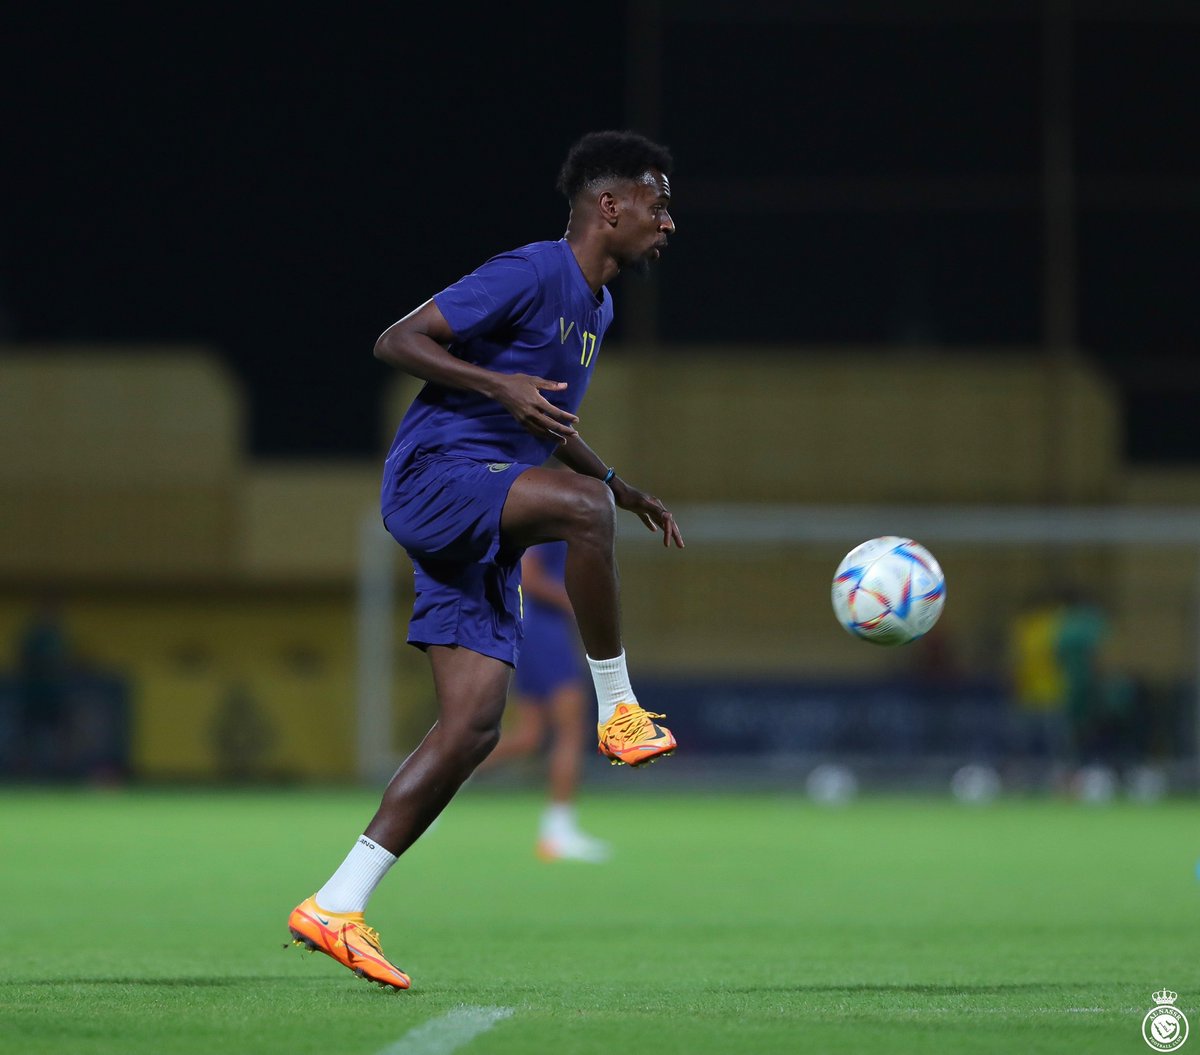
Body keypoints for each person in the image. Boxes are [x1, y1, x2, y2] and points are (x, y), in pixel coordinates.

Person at [288, 130, 683, 991]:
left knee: (472, 726)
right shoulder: (532, 272)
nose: (668, 222)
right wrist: (497, 384)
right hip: (437, 478)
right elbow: (397, 339)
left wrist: (617, 484)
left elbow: (548, 422)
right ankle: (620, 708)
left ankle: (337, 903)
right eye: (657, 205)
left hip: (488, 505)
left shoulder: (597, 310)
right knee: (578, 513)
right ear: (609, 206)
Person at [480, 539, 612, 864]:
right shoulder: (554, 520)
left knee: (529, 736)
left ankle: (436, 782)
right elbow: (529, 573)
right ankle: (559, 832)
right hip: (543, 630)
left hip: (531, 627)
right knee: (572, 730)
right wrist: (578, 602)